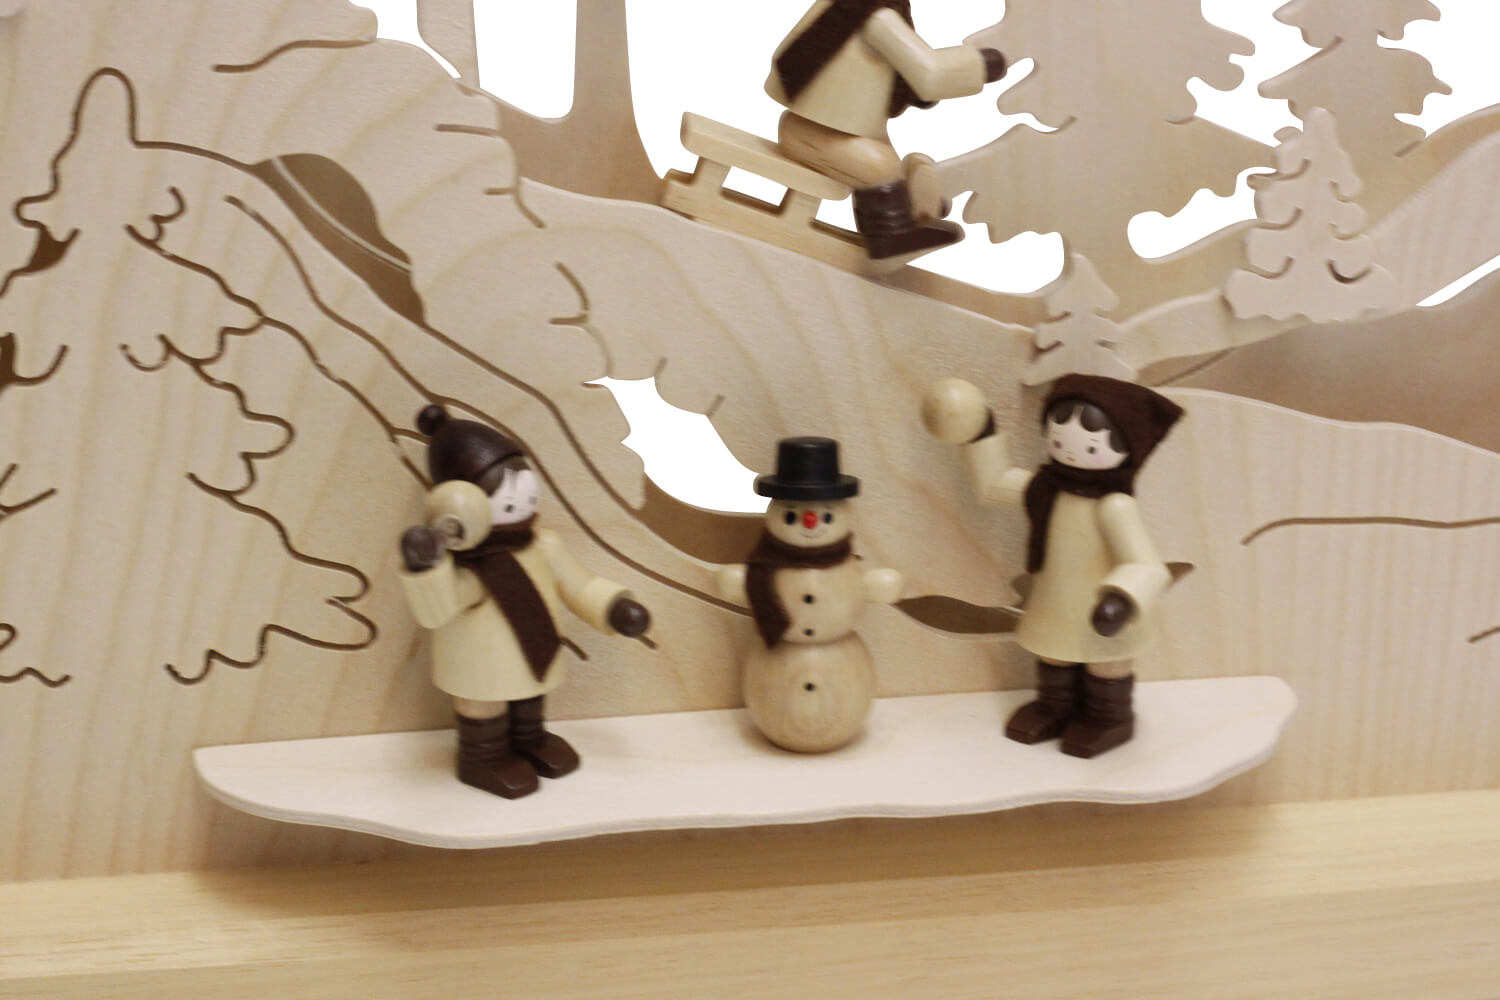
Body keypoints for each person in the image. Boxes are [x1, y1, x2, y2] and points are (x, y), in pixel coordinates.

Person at [766, 0, 1007, 258]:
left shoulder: (852, 8)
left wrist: (912, 87)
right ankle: (891, 236)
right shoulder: (878, 19)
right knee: (881, 168)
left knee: (889, 163)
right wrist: (981, 65)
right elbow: (932, 74)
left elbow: (885, 64)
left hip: (827, 129)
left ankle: (915, 206)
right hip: (818, 134)